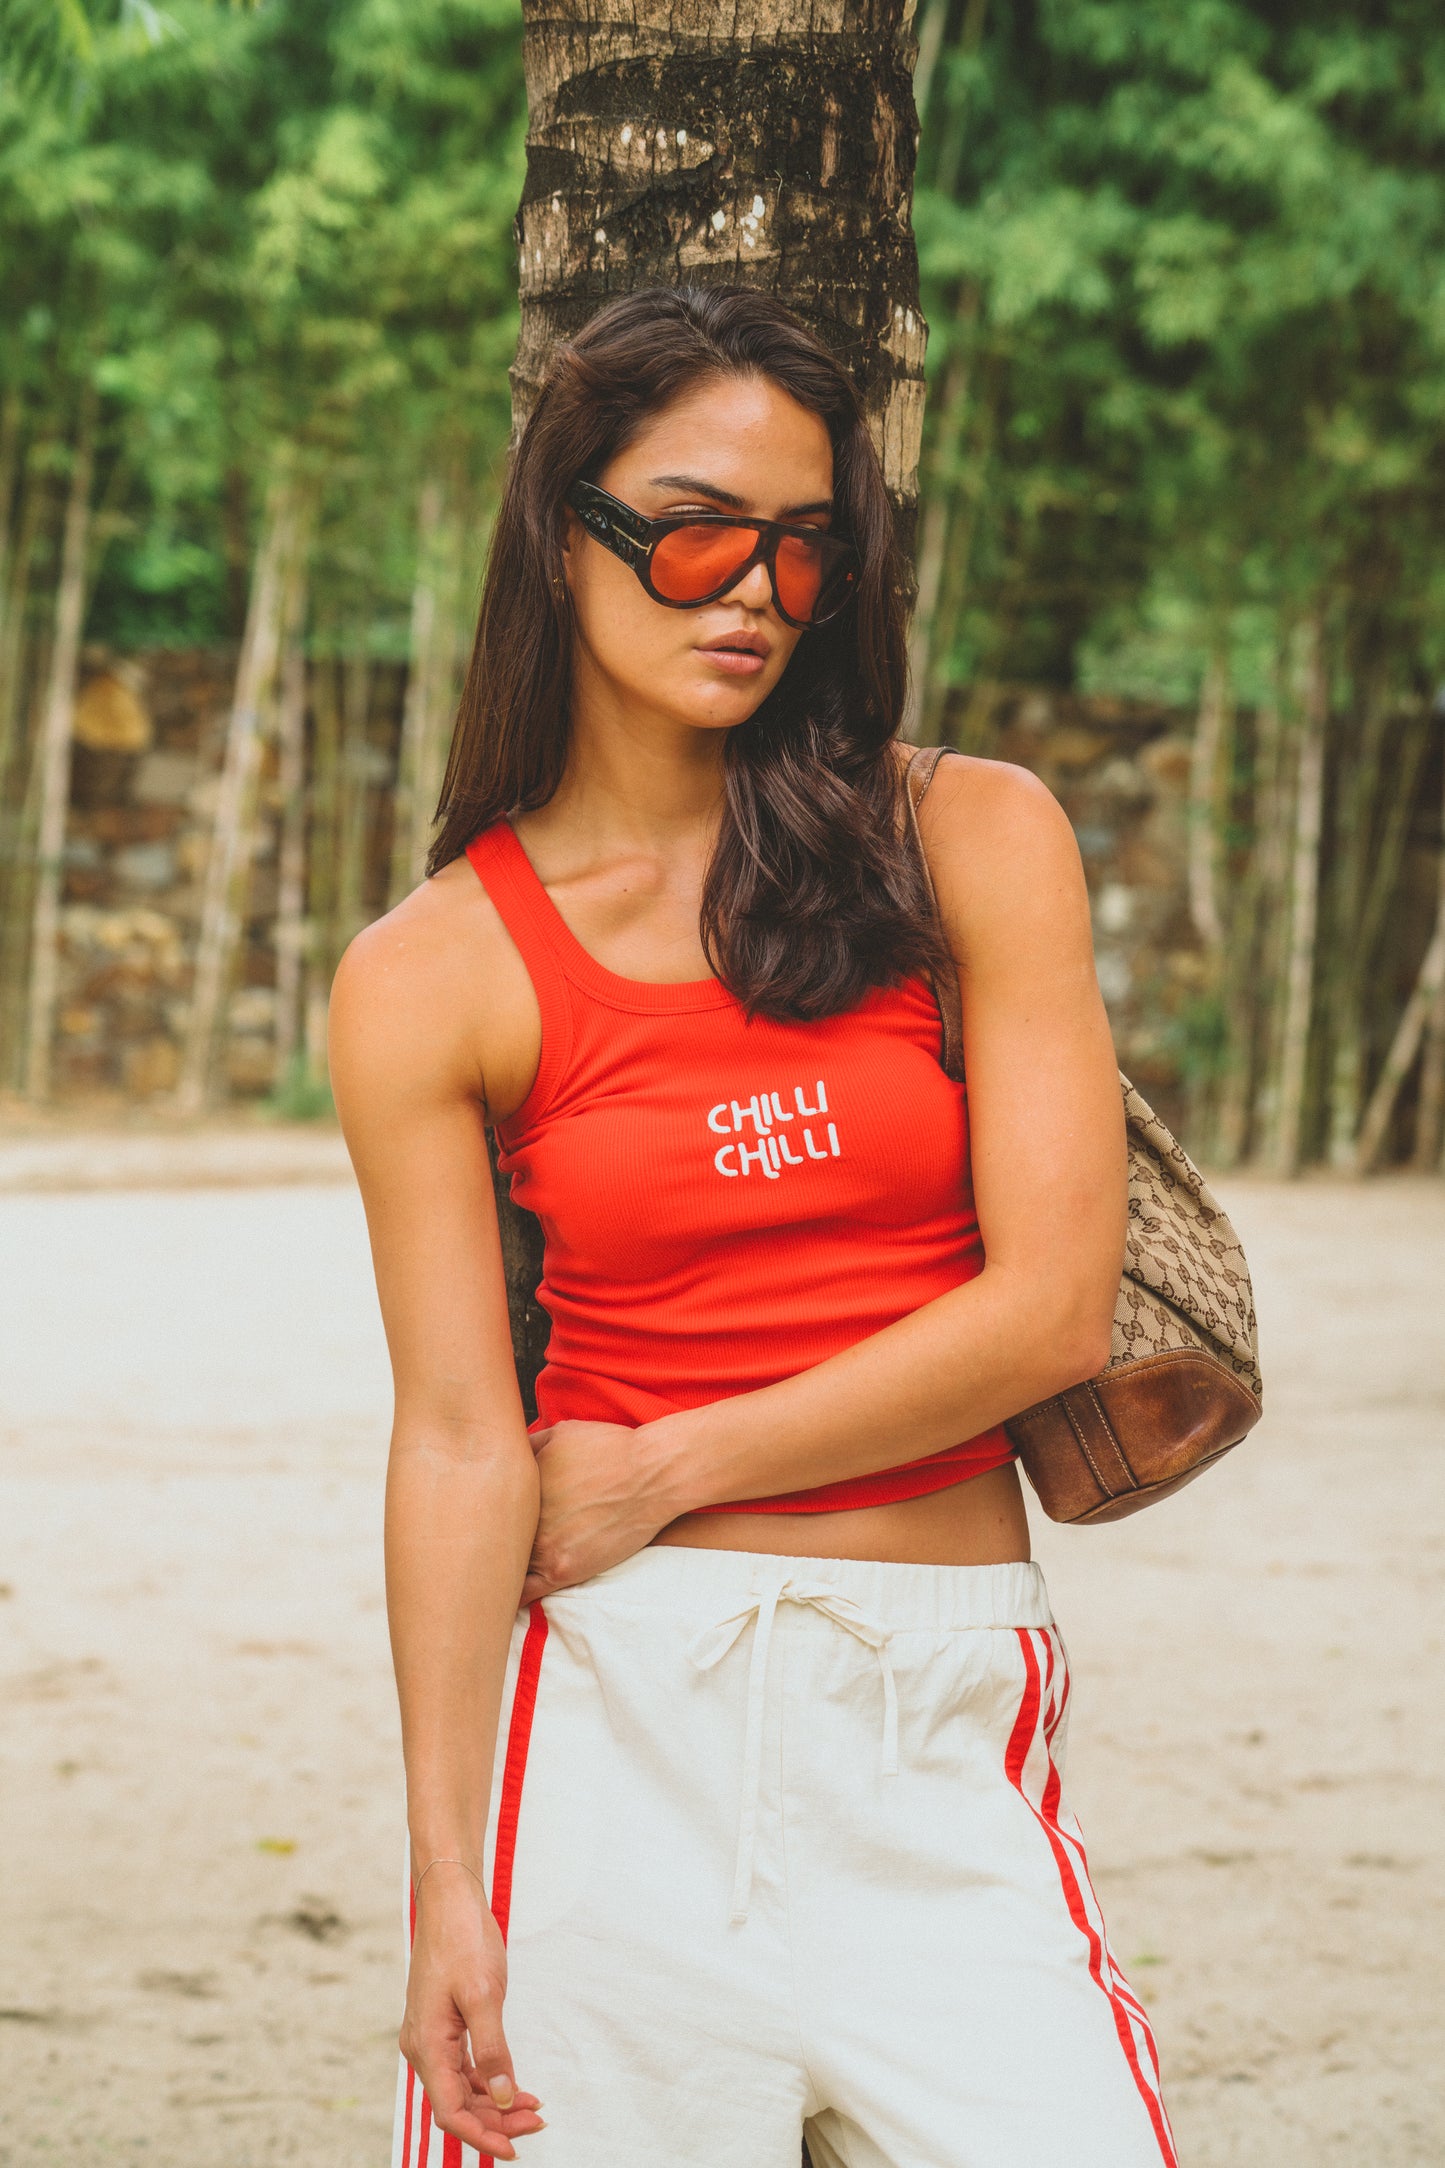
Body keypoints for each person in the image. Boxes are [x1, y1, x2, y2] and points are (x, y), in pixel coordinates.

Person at [330, 284, 1176, 2168]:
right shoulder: (430, 970)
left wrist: (668, 1465)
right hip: (618, 1721)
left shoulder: (966, 837)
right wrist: (446, 1883)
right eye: (697, 530)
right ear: (566, 535)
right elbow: (462, 1434)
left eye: (804, 548)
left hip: (937, 1711)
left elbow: (1045, 1311)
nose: (752, 594)